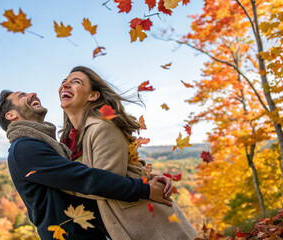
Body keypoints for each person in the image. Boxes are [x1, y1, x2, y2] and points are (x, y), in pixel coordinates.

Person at [0, 90, 172, 240]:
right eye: (22, 96)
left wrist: (145, 178)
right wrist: (144, 189)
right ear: (11, 115)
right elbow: (85, 178)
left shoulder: (46, 145)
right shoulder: (24, 148)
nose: (33, 93)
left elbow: (94, 167)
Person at [58, 66, 198, 240]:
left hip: (147, 223)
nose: (65, 85)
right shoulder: (68, 140)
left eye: (75, 82)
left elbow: (106, 181)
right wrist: (149, 175)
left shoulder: (103, 127)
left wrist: (56, 179)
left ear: (93, 95)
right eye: (64, 82)